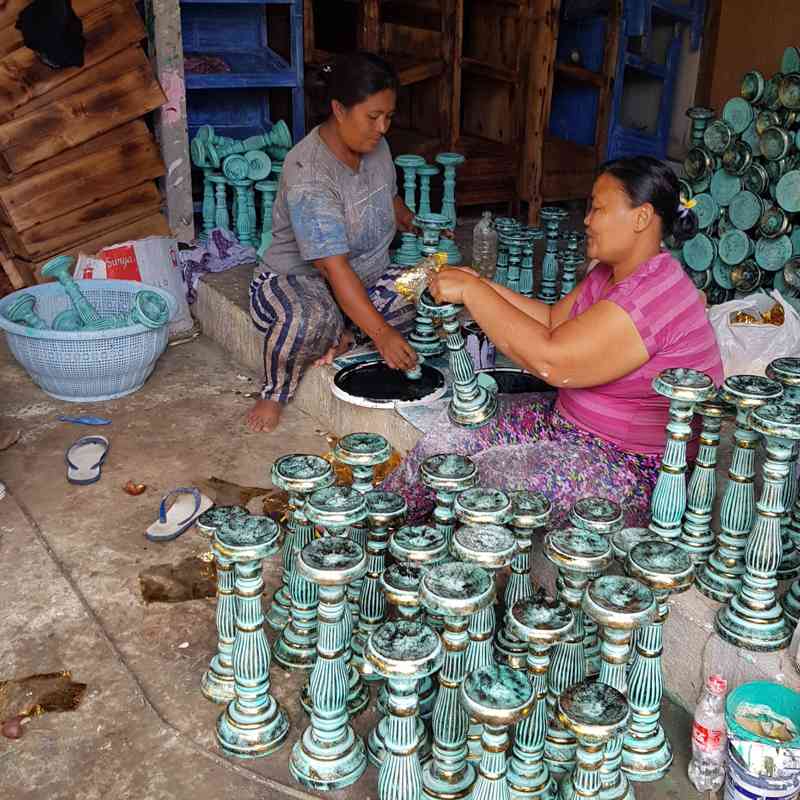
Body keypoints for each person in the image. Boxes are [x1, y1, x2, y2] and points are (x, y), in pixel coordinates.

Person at [382, 156, 724, 528]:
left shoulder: (657, 294)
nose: (588, 219)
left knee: (482, 478)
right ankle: (375, 523)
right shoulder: (611, 274)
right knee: (450, 438)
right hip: (569, 427)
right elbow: (549, 321)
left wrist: (474, 292)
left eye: (598, 208)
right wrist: (477, 285)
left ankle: (424, 559)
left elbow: (552, 360)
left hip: (631, 468)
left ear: (641, 217)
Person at [247, 52, 419, 432]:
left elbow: (384, 194)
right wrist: (381, 334)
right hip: (297, 283)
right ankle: (275, 391)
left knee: (427, 290)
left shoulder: (377, 147)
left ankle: (345, 333)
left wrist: (407, 218)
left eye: (388, 117)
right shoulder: (309, 171)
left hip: (364, 279)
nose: (382, 127)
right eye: (372, 117)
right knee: (311, 318)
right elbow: (332, 267)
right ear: (339, 109)